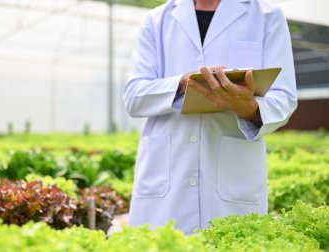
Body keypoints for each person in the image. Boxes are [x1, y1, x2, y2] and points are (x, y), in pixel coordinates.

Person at [123, 0, 297, 235]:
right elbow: (133, 96)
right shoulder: (157, 20)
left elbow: (284, 98)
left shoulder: (267, 16)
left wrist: (247, 107)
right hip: (166, 180)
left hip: (232, 181)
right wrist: (183, 84)